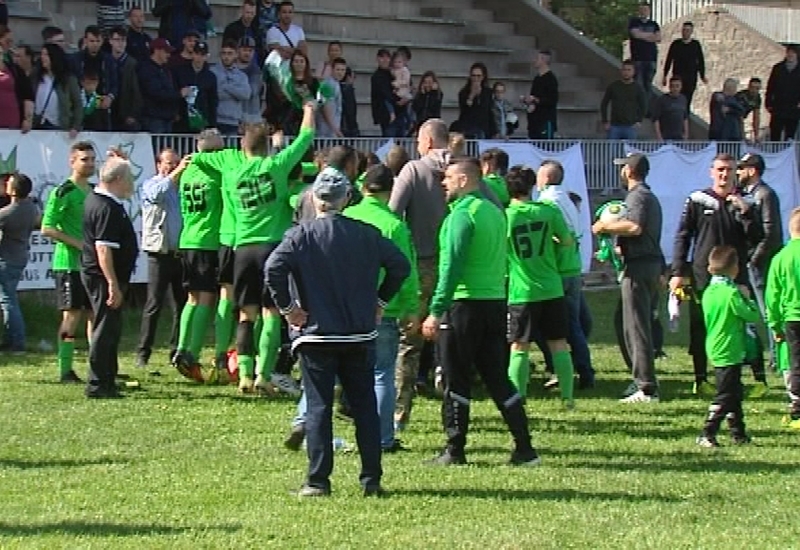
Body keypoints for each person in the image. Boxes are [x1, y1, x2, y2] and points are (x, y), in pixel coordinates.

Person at [265, 166, 410, 498]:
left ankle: (318, 481)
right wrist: (380, 301)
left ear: (315, 199)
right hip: (358, 334)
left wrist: (289, 309)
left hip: (317, 334)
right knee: (364, 407)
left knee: (318, 407)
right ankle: (371, 479)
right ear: (346, 199)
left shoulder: (301, 234)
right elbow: (400, 266)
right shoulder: (367, 233)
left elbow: (273, 268)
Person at [421, 157, 540, 467]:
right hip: (494, 302)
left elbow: (451, 267)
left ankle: (455, 448)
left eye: (447, 178)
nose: (443, 184)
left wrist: (436, 310)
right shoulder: (494, 212)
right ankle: (525, 446)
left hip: (463, 305)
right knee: (497, 377)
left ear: (463, 180)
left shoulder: (461, 216)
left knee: (455, 378)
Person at [223, 104, 314, 393]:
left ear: (242, 146)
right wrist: (309, 109)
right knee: (272, 312)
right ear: (266, 147)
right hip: (272, 249)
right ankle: (264, 375)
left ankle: (245, 376)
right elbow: (305, 137)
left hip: (243, 250)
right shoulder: (275, 166)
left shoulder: (233, 174)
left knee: (245, 314)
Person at [671, 153, 764, 396]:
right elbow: (683, 235)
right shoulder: (698, 200)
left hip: (737, 274)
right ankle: (701, 379)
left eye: (730, 170)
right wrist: (678, 271)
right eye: (720, 169)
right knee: (701, 325)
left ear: (736, 173)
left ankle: (759, 379)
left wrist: (744, 211)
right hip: (704, 275)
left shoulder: (746, 201)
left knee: (746, 325)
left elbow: (757, 237)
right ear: (712, 172)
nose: (724, 174)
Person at [344, 164, 419, 453]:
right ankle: (382, 437)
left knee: (347, 372)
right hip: (384, 308)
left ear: (363, 188)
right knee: (382, 373)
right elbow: (406, 270)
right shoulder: (395, 226)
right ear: (390, 191)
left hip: (347, 308)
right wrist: (411, 306)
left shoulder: (347, 217)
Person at [388, 118, 449, 432]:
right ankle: (455, 410)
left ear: (425, 141)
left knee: (410, 343)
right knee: (454, 341)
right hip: (457, 267)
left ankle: (400, 414)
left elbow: (392, 213)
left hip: (423, 264)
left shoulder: (413, 170)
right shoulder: (465, 169)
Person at [592, 153, 663, 403]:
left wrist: (604, 226)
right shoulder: (641, 195)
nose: (620, 172)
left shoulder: (639, 196)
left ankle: (646, 387)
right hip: (642, 263)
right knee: (624, 322)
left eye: (622, 168)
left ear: (629, 171)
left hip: (640, 267)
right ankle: (640, 378)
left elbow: (635, 227)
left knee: (637, 326)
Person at [505, 166, 575, 404]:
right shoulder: (548, 212)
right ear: (533, 186)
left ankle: (518, 397)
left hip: (521, 290)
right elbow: (566, 240)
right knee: (559, 343)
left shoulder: (507, 216)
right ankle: (568, 397)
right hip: (551, 286)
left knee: (519, 346)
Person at [81, 155, 138, 399]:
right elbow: (103, 249)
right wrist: (113, 284)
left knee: (111, 328)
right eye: (130, 179)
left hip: (103, 276)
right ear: (117, 179)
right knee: (105, 329)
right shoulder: (105, 207)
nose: (132, 185)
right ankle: (97, 384)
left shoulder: (103, 201)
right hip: (103, 277)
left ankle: (108, 378)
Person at [41, 142, 96, 384]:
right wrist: (77, 243)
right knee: (72, 316)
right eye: (84, 159)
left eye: (93, 159)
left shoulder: (94, 191)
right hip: (69, 264)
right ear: (72, 161)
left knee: (94, 315)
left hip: (92, 264)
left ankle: (99, 366)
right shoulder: (63, 191)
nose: (90, 164)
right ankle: (65, 369)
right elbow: (47, 228)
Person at [537, 160, 595, 389]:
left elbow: (554, 234)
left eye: (540, 176)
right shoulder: (567, 198)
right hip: (572, 266)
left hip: (559, 269)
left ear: (547, 178)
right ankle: (576, 367)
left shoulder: (547, 201)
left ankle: (579, 369)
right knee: (575, 322)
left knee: (566, 324)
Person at [173, 129, 226, 380]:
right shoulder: (215, 173)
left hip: (188, 238)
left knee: (192, 298)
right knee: (206, 299)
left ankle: (181, 348)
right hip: (208, 239)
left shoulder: (187, 172)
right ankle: (191, 355)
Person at [696, 245, 759, 447]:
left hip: (715, 345)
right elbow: (752, 315)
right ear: (735, 268)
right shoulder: (731, 293)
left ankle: (738, 432)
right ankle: (707, 431)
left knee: (735, 391)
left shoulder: (709, 291)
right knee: (725, 394)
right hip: (729, 348)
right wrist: (748, 298)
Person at [137, 149, 190, 375]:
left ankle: (176, 350)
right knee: (154, 305)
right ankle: (143, 352)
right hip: (158, 253)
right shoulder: (151, 184)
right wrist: (176, 173)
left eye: (176, 163)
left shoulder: (182, 189)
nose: (173, 166)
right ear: (159, 164)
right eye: (169, 163)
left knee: (181, 305)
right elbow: (156, 195)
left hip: (179, 254)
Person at [738, 153, 782, 379]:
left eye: (742, 168)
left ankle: (776, 357)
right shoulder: (748, 194)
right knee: (749, 314)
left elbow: (771, 233)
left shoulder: (765, 194)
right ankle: (753, 355)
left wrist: (754, 260)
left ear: (752, 170)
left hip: (761, 263)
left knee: (768, 313)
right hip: (750, 262)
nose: (738, 173)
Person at [765, 207, 800, 430]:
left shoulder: (781, 257)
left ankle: (797, 408)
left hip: (792, 317)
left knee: (796, 361)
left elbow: (773, 295)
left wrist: (774, 324)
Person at [0, 173, 39, 353]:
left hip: (7, 258)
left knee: (8, 301)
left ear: (14, 190)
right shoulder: (31, 208)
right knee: (10, 299)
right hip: (20, 256)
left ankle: (16, 342)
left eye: (8, 183)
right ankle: (13, 339)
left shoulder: (8, 213)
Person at [69, 25, 118, 130]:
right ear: (85, 40)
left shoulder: (108, 60)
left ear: (102, 41)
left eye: (97, 41)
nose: (95, 44)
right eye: (92, 41)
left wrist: (110, 97)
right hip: (80, 106)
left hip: (101, 108)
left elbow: (115, 82)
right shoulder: (75, 59)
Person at [137, 37, 190, 133]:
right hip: (154, 118)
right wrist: (179, 94)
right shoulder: (146, 69)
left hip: (166, 118)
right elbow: (156, 93)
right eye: (166, 51)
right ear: (157, 51)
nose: (169, 55)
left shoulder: (165, 69)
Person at [30, 43, 82, 135]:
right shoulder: (36, 77)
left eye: (46, 55)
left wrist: (75, 126)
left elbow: (78, 103)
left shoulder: (68, 79)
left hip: (58, 126)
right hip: (38, 124)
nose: (43, 57)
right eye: (42, 54)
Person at [173, 40, 217, 132]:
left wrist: (212, 125)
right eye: (197, 53)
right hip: (181, 120)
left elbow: (212, 102)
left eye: (202, 55)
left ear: (207, 56)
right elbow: (173, 93)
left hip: (201, 122)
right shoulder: (180, 72)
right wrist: (175, 112)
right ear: (192, 54)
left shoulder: (210, 77)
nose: (199, 58)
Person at [661, 21, 707, 111]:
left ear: (691, 32)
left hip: (691, 76)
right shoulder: (676, 44)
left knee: (687, 98)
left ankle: (685, 118)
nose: (685, 32)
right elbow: (669, 59)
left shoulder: (695, 45)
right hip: (678, 75)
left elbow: (701, 61)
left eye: (688, 30)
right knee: (676, 97)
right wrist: (665, 75)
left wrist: (702, 75)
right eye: (684, 30)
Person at [210, 39, 251, 136]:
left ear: (236, 55)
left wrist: (226, 86)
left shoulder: (241, 75)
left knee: (231, 150)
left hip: (233, 122)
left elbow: (246, 94)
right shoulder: (212, 72)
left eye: (230, 53)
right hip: (216, 120)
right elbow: (217, 94)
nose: (226, 56)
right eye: (224, 53)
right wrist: (235, 91)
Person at [108, 26, 144, 132]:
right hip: (109, 110)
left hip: (126, 112)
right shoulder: (106, 61)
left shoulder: (133, 63)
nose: (120, 43)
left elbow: (137, 91)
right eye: (117, 40)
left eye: (123, 40)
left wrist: (133, 114)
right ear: (110, 41)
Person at [600, 59, 648, 140]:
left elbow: (644, 105)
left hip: (630, 126)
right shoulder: (613, 86)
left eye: (629, 70)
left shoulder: (638, 88)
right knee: (611, 151)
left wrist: (639, 120)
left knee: (630, 151)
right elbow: (604, 103)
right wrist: (605, 121)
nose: (626, 72)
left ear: (634, 72)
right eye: (624, 70)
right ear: (621, 71)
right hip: (614, 125)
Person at [0, 25, 33, 132]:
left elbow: (28, 95)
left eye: (11, 42)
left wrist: (28, 119)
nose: (9, 46)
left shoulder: (15, 69)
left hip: (11, 122)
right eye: (6, 42)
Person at [765, 44, 800, 141]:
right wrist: (768, 103)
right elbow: (770, 87)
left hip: (793, 108)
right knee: (775, 134)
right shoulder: (778, 68)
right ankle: (775, 154)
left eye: (793, 53)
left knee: (790, 136)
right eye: (789, 52)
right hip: (778, 107)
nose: (790, 55)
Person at [523, 50, 558, 139]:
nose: (534, 60)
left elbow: (552, 100)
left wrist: (536, 100)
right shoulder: (537, 79)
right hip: (534, 122)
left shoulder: (551, 79)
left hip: (545, 121)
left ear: (543, 60)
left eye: (537, 58)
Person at [455, 62, 495, 139]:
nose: (476, 79)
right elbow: (463, 111)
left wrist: (494, 131)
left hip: (484, 128)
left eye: (478, 76)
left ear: (483, 77)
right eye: (473, 76)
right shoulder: (464, 92)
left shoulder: (488, 92)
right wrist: (472, 95)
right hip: (469, 129)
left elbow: (490, 112)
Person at [627, 1, 661, 94]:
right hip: (638, 58)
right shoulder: (634, 22)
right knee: (638, 85)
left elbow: (658, 38)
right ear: (639, 11)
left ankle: (646, 107)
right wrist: (650, 36)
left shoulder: (654, 24)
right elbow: (635, 34)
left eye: (646, 9)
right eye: (642, 9)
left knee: (648, 86)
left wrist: (643, 35)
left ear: (649, 11)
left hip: (651, 58)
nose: (644, 11)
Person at [223, 0, 264, 64]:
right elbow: (227, 50)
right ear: (242, 11)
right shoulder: (231, 29)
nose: (249, 16)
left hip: (254, 67)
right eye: (247, 12)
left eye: (252, 13)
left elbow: (260, 51)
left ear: (255, 13)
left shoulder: (257, 31)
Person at [651, 76, 688, 141]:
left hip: (679, 136)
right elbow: (656, 119)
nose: (675, 88)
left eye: (677, 86)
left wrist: (686, 134)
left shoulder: (683, 99)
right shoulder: (662, 100)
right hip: (665, 136)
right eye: (673, 86)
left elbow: (685, 118)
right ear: (669, 87)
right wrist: (659, 137)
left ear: (681, 87)